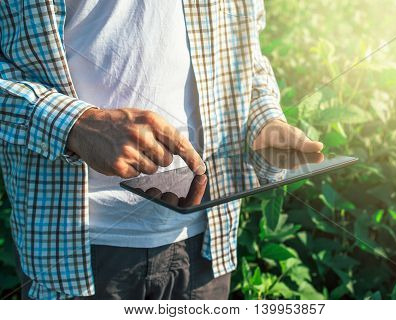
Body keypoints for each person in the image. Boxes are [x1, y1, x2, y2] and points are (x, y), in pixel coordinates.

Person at [0, 0, 323, 300]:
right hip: (75, 250)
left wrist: (264, 122)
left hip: (207, 243)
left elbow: (245, 58)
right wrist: (75, 124)